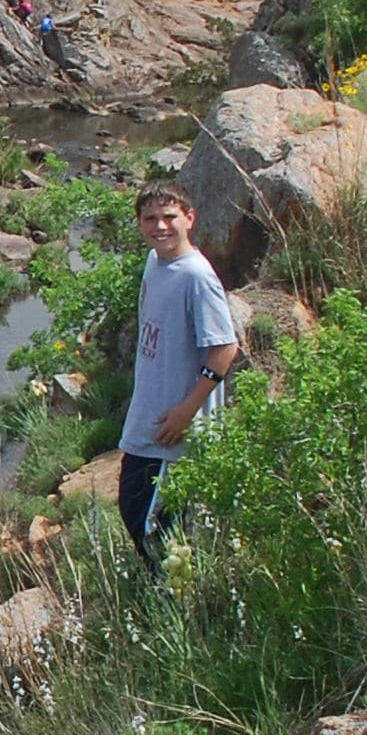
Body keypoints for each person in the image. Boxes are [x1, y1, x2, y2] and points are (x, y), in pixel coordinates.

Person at [115, 181, 239, 566]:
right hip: (148, 418)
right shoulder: (155, 262)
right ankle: (165, 590)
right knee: (136, 511)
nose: (160, 226)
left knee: (154, 526)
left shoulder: (196, 276)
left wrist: (186, 411)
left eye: (170, 217)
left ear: (189, 218)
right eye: (150, 218)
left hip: (176, 432)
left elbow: (225, 348)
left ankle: (171, 596)